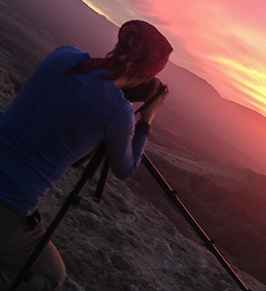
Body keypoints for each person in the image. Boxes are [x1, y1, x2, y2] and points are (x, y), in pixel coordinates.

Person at [0, 20, 173, 291]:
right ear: (144, 76)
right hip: (8, 205)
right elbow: (125, 168)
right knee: (51, 276)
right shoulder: (118, 112)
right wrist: (147, 118)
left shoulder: (64, 55)